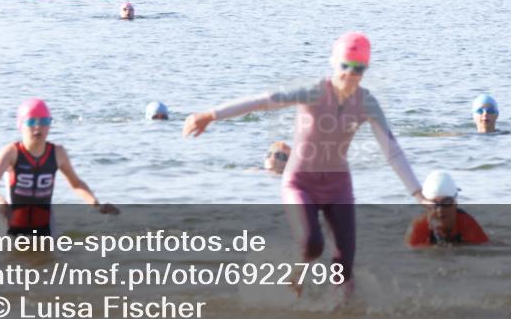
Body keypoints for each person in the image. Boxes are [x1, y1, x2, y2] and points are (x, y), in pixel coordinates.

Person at [183, 31, 424, 290]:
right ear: (334, 63)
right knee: (312, 245)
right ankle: (293, 275)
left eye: (358, 68)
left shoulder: (367, 102)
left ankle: (345, 314)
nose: (350, 74)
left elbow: (392, 150)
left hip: (338, 188)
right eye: (345, 66)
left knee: (343, 270)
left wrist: (419, 195)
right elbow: (263, 101)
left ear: (365, 69)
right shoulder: (313, 92)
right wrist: (211, 115)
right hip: (300, 183)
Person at [0, 99, 119, 236]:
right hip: (12, 223)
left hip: (45, 225)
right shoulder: (12, 152)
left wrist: (96, 205)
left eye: (44, 122)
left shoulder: (57, 153)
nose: (38, 127)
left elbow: (76, 184)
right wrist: (1, 202)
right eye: (31, 122)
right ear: (20, 124)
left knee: (50, 250)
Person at [406, 171, 488, 247]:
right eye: (434, 204)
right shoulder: (419, 226)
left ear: (455, 203)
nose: (440, 210)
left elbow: (484, 247)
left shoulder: (466, 222)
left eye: (446, 202)